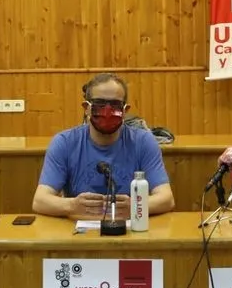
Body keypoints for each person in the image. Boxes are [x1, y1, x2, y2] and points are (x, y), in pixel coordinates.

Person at [32, 73, 175, 219]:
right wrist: (72, 206)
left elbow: (166, 199)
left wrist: (135, 206)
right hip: (78, 229)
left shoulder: (143, 141)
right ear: (86, 108)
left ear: (125, 110)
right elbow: (40, 201)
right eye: (99, 104)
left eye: (115, 105)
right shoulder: (64, 143)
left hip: (129, 228)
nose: (107, 111)